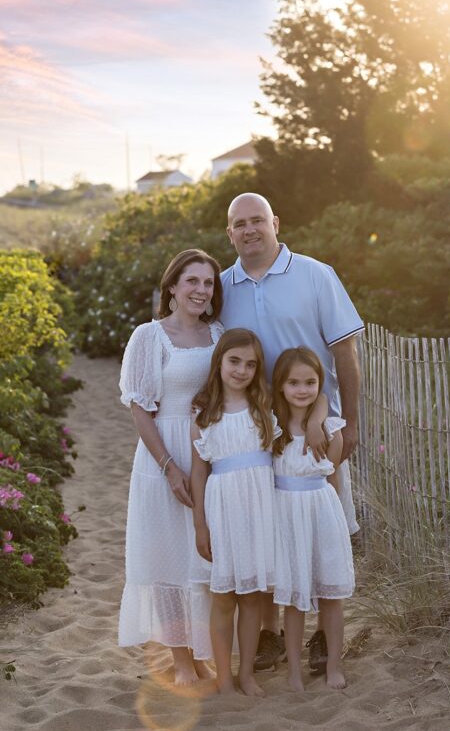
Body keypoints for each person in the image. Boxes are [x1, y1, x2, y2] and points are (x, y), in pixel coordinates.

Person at [218, 192, 363, 673]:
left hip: (319, 425)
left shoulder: (316, 275)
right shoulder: (223, 288)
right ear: (230, 233)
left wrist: (351, 421)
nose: (249, 230)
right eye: (240, 224)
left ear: (276, 222)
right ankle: (271, 635)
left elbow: (345, 355)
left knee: (326, 527)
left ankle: (325, 634)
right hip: (258, 431)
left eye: (257, 220)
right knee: (271, 529)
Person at [117, 248, 223, 686]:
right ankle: (181, 662)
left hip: (210, 453)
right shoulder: (150, 336)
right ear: (173, 287)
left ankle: (202, 657)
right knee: (166, 558)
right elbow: (141, 409)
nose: (200, 290)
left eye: (208, 283)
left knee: (201, 560)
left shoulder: (220, 335)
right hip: (163, 455)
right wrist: (168, 466)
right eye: (192, 281)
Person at [189, 329, 279, 697]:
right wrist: (200, 525)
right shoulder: (204, 413)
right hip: (223, 508)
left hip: (260, 508)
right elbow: (198, 472)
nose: (241, 370)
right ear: (219, 362)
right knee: (224, 596)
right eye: (234, 361)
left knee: (254, 596)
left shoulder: (266, 408)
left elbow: (315, 398)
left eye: (250, 364)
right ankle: (224, 676)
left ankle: (247, 674)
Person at [271, 348, 355, 691]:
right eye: (293, 383)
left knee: (331, 595)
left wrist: (317, 421)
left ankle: (334, 665)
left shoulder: (330, 431)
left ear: (320, 385)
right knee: (293, 599)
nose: (302, 389)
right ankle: (294, 671)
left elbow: (332, 480)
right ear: (281, 386)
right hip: (286, 518)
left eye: (310, 382)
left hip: (322, 515)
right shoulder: (272, 428)